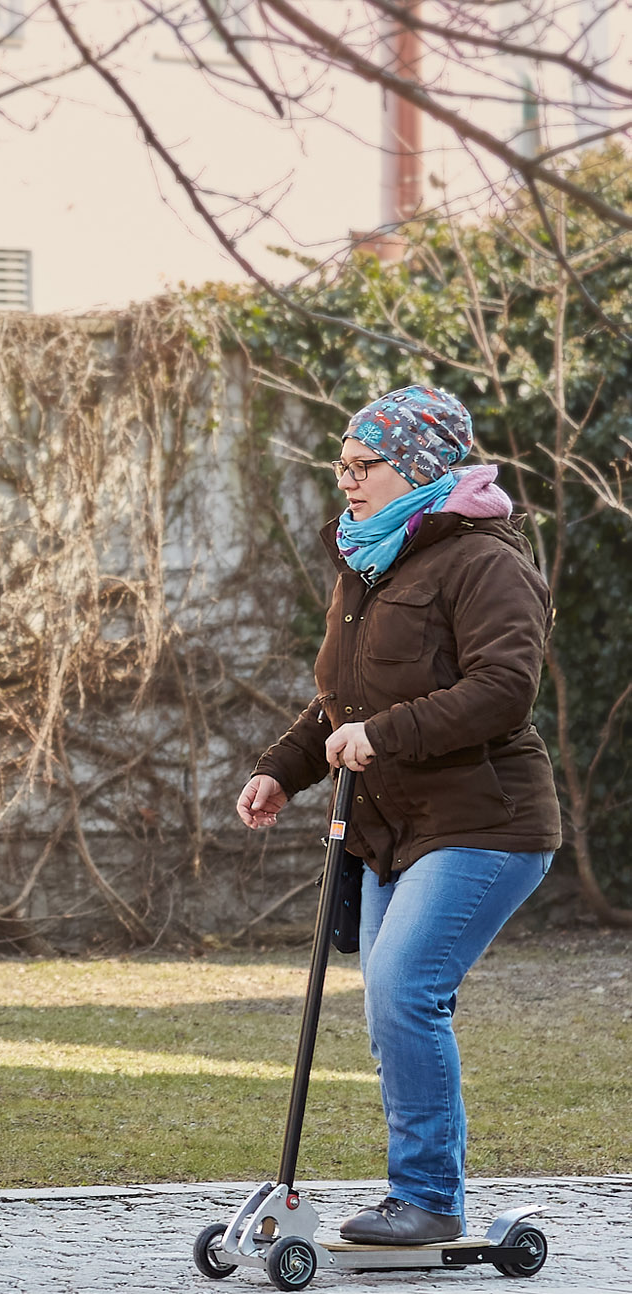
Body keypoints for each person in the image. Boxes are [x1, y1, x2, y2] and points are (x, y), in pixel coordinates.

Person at [235, 385, 560, 1246]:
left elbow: (502, 691)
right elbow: (338, 699)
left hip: (486, 822)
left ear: (415, 465)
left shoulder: (485, 562)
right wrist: (282, 770)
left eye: (362, 465)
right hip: (392, 832)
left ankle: (427, 1199)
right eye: (340, 465)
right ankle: (420, 1193)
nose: (345, 480)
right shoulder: (367, 562)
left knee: (403, 987)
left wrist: (381, 734)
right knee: (393, 1009)